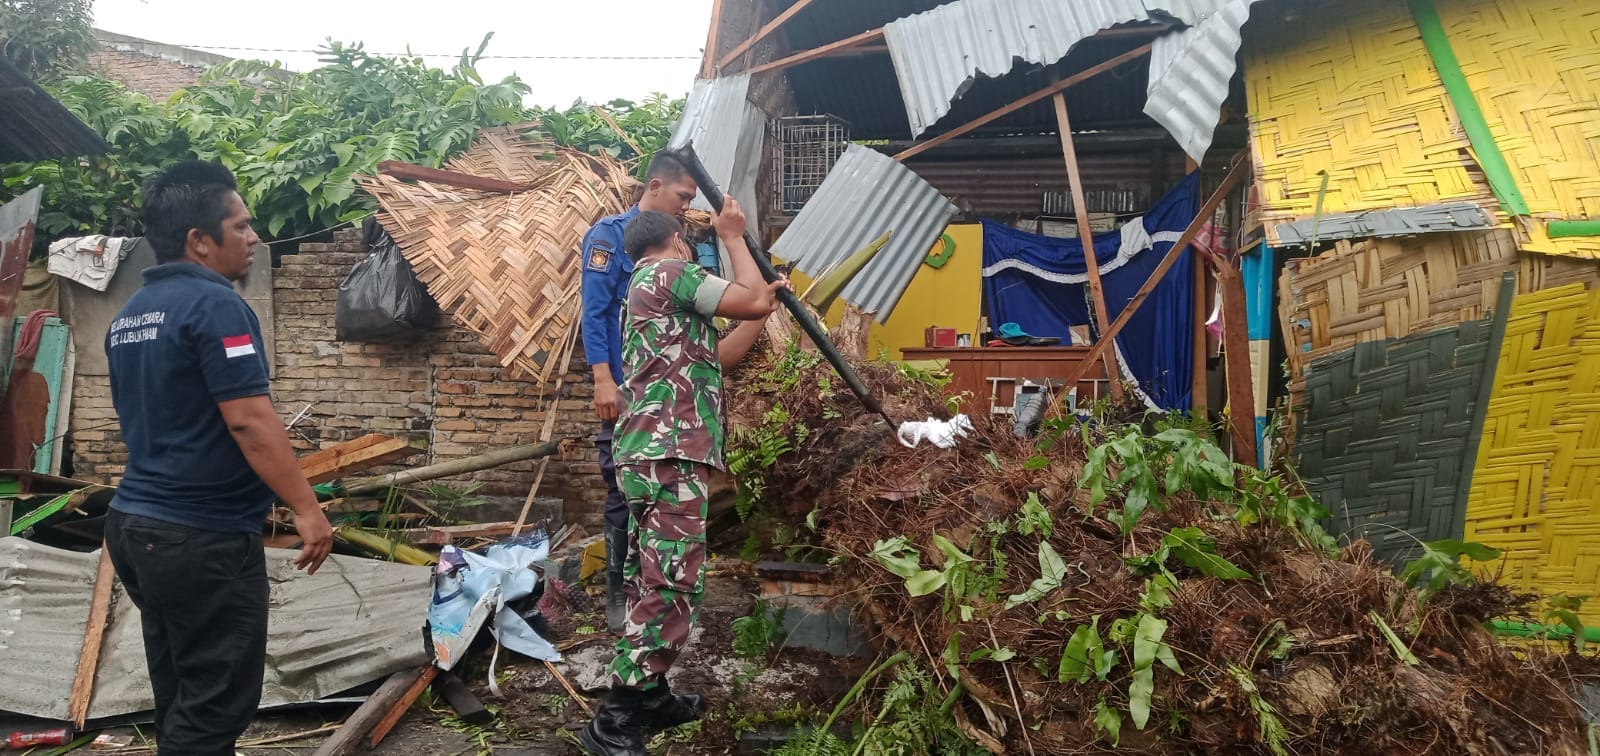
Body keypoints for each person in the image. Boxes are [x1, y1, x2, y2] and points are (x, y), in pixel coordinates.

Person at [102, 160, 333, 756]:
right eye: (242, 225)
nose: (254, 237)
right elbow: (248, 418)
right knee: (215, 706)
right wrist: (306, 509)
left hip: (135, 527)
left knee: (182, 690)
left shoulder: (129, 317)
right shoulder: (216, 306)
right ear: (199, 241)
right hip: (198, 537)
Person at [579, 200, 784, 755]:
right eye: (691, 242)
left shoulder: (649, 295)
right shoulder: (670, 271)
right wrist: (735, 237)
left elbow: (718, 355)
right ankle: (617, 713)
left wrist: (761, 308)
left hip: (649, 453)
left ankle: (651, 693)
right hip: (666, 453)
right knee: (672, 582)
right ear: (674, 239)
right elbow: (748, 295)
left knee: (654, 575)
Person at [579, 153, 700, 635]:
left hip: (664, 389)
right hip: (626, 386)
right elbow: (595, 311)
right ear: (655, 186)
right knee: (620, 486)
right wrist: (602, 379)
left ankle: (654, 589)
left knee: (661, 486)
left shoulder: (676, 244)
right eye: (682, 197)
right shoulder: (609, 237)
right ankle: (617, 590)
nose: (687, 207)